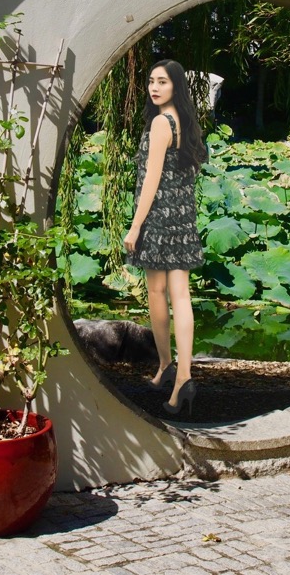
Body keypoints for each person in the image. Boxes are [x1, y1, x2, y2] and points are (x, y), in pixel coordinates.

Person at [123, 59, 208, 416]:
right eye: (151, 81)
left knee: (157, 293)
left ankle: (176, 372)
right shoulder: (186, 123)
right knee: (181, 296)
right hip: (183, 217)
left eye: (163, 82)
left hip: (159, 219)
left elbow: (151, 180)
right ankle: (171, 372)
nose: (154, 87)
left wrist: (136, 225)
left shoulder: (160, 122)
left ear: (176, 86)